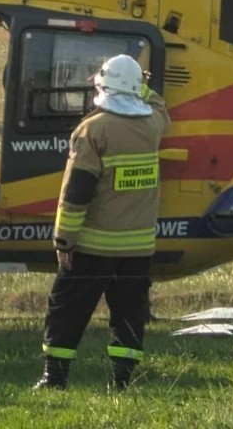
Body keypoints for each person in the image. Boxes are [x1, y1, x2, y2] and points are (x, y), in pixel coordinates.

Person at [36, 54, 169, 391]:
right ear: (137, 86)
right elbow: (157, 102)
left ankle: (55, 378)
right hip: (138, 248)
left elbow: (77, 191)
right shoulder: (153, 124)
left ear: (103, 87)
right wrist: (142, 81)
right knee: (129, 315)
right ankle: (122, 381)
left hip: (94, 245)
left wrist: (64, 239)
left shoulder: (93, 130)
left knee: (67, 310)